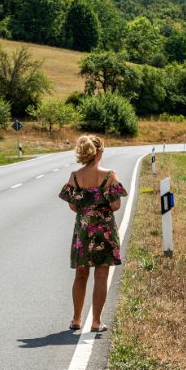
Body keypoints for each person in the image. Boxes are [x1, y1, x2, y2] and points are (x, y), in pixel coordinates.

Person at [58, 135, 128, 333]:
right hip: (105, 232)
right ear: (98, 152)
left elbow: (73, 206)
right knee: (101, 275)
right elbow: (115, 205)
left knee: (81, 275)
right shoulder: (109, 176)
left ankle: (77, 319)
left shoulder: (74, 177)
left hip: (83, 232)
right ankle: (96, 322)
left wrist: (86, 210)